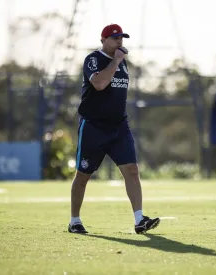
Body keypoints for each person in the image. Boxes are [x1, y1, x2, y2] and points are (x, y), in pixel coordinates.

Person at [68, 24, 161, 234]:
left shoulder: (123, 63)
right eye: (114, 38)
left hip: (119, 127)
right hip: (94, 126)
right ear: (103, 40)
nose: (119, 42)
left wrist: (119, 61)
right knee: (83, 175)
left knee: (132, 170)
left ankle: (139, 219)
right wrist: (116, 61)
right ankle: (74, 221)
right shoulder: (93, 59)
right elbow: (99, 84)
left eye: (121, 38)